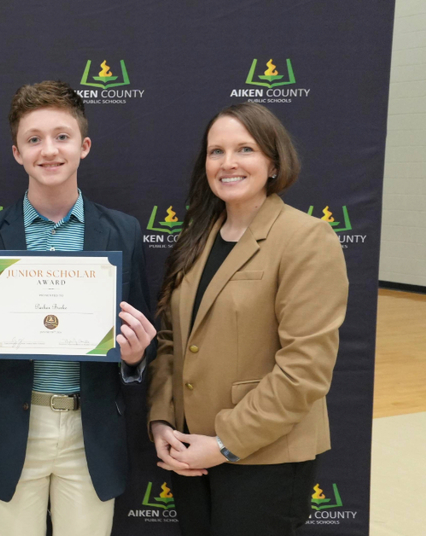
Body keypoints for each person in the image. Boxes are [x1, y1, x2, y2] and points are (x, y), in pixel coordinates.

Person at [0, 80, 157, 536]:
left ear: (84, 146)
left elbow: (141, 339)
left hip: (91, 431)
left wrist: (136, 355)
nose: (49, 150)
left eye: (62, 136)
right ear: (17, 153)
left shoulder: (123, 232)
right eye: (33, 139)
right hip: (13, 428)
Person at [146, 102, 349, 536]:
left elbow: (305, 369)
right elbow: (171, 341)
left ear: (273, 163)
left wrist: (224, 444)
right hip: (189, 452)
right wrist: (162, 421)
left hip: (265, 458)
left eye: (245, 149)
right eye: (216, 152)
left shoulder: (306, 238)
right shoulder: (196, 238)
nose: (228, 163)